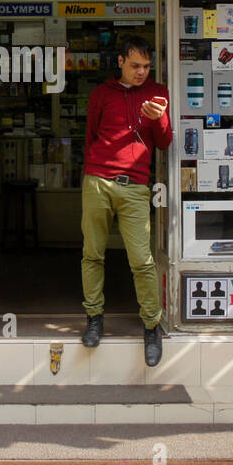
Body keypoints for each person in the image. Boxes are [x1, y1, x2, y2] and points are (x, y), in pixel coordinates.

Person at [79, 34, 172, 366]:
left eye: (146, 66)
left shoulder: (158, 93)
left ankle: (151, 326)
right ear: (120, 62)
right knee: (93, 253)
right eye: (135, 66)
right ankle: (94, 319)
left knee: (142, 260)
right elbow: (91, 135)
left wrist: (157, 117)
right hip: (98, 181)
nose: (141, 72)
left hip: (135, 184)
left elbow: (164, 142)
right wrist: (92, 170)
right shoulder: (101, 93)